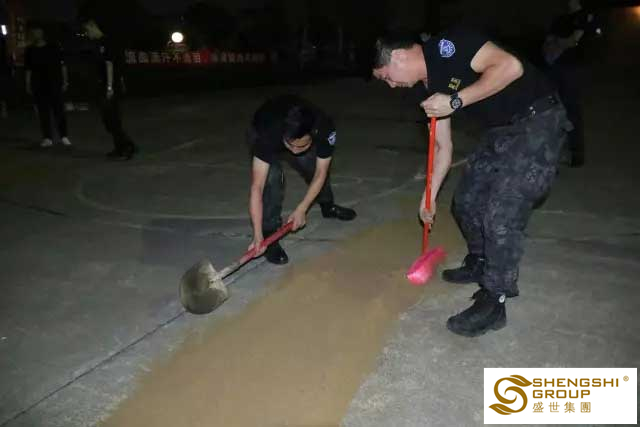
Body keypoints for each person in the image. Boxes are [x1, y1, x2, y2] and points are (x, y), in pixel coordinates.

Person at [372, 27, 571, 337]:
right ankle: (479, 259)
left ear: (398, 56)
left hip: (539, 120)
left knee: (501, 214)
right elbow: (442, 147)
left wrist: (455, 101)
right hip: (500, 129)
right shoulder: (424, 90)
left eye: (386, 77)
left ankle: (494, 301)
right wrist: (429, 196)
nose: (390, 85)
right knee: (466, 201)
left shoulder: (448, 46)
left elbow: (510, 66)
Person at [247, 94, 357, 265]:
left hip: (293, 133)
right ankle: (269, 235)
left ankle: (328, 205)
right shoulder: (267, 135)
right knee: (272, 178)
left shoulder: (324, 127)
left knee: (312, 164)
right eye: (290, 145)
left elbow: (321, 172)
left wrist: (302, 208)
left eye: (301, 145)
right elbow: (257, 188)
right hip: (263, 127)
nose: (294, 151)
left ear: (313, 134)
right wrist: (257, 234)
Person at [542, 0, 602, 167]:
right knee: (551, 109)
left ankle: (576, 154)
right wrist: (563, 42)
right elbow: (549, 41)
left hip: (573, 69)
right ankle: (553, 151)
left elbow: (574, 41)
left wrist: (561, 41)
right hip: (555, 67)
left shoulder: (587, 16)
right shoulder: (561, 18)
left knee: (571, 110)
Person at [80, 17, 136, 160]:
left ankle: (126, 148)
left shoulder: (106, 43)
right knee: (109, 120)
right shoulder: (99, 43)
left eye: (87, 30)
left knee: (112, 119)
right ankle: (122, 147)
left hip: (109, 85)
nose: (87, 33)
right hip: (105, 85)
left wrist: (110, 87)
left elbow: (109, 65)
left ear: (93, 27)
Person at [24, 24, 71, 147]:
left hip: (54, 83)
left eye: (38, 31)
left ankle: (64, 136)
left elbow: (62, 65)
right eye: (34, 32)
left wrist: (65, 81)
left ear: (43, 32)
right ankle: (47, 137)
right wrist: (28, 84)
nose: (36, 34)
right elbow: (28, 69)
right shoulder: (30, 50)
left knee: (59, 110)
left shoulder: (53, 47)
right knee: (43, 112)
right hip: (38, 84)